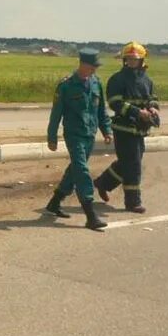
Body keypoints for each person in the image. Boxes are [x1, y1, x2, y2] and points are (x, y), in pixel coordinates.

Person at [45, 48, 113, 230]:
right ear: (83, 64)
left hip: (90, 134)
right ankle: (90, 215)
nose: (94, 70)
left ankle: (55, 202)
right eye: (92, 67)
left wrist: (106, 131)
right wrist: (52, 138)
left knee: (75, 168)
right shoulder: (66, 85)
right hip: (74, 135)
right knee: (82, 170)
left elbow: (101, 110)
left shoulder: (96, 83)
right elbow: (56, 114)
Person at [93, 42, 160, 214]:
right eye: (128, 59)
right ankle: (133, 202)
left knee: (128, 163)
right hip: (124, 130)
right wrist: (138, 112)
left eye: (135, 59)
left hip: (140, 130)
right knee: (134, 165)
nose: (131, 62)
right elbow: (115, 103)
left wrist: (152, 107)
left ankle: (103, 183)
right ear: (124, 60)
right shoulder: (117, 79)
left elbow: (153, 98)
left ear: (141, 60)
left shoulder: (147, 80)